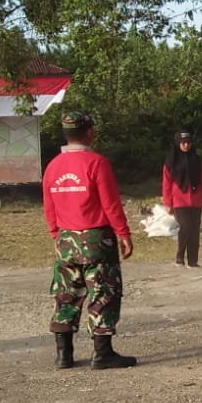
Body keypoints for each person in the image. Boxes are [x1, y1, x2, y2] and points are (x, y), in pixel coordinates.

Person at [42, 110, 135, 370]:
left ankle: (64, 355)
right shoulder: (96, 163)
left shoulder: (52, 167)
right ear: (90, 132)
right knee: (104, 291)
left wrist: (55, 235)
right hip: (97, 238)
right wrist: (124, 234)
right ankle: (102, 353)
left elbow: (49, 207)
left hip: (65, 238)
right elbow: (111, 204)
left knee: (66, 294)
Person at [162, 131, 202, 267]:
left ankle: (193, 260)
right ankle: (180, 256)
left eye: (188, 142)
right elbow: (166, 183)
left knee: (195, 229)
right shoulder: (171, 162)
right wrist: (167, 203)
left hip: (196, 199)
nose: (186, 145)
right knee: (185, 227)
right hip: (179, 200)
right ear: (178, 143)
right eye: (183, 142)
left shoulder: (196, 159)